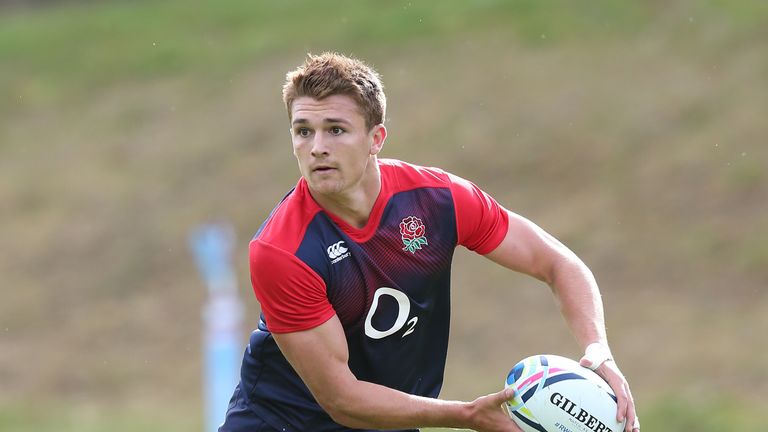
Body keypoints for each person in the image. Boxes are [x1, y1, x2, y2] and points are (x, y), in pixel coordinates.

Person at [220, 52, 639, 432]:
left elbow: (557, 264)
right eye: (303, 131)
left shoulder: (438, 200)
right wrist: (468, 415)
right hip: (282, 424)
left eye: (336, 130)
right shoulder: (284, 250)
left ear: (376, 139)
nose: (317, 148)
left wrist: (598, 351)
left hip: (388, 419)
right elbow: (341, 399)